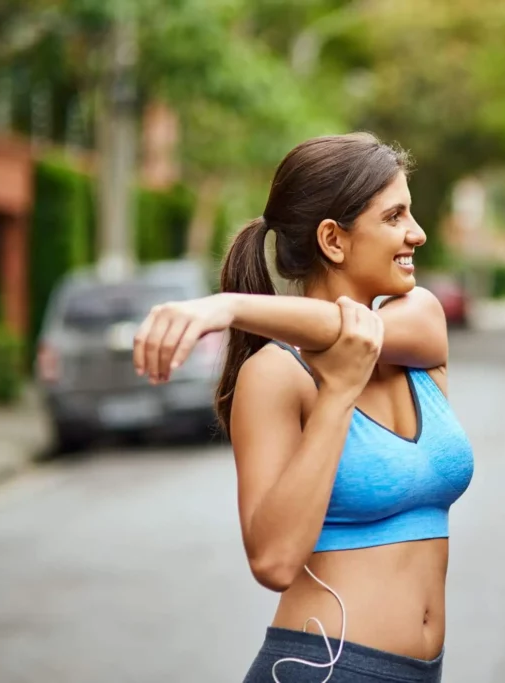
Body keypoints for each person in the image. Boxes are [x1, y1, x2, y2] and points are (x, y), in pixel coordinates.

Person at [132, 133, 474, 682]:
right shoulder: (274, 375)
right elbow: (273, 561)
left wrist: (229, 307)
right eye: (395, 216)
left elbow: (350, 331)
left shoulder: (419, 325)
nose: (418, 232)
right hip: (325, 668)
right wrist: (336, 398)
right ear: (333, 240)